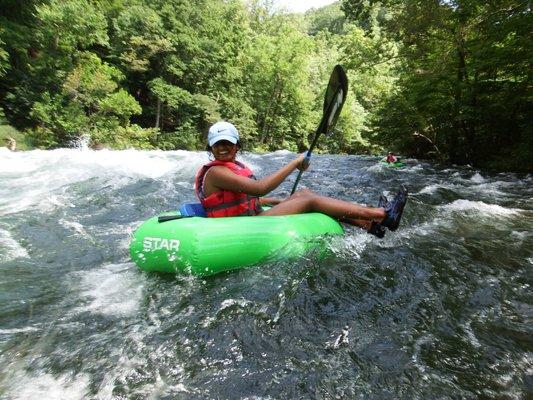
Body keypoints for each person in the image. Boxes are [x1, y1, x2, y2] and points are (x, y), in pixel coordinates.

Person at [195, 121, 407, 238]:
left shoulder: (235, 168)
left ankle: (369, 226)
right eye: (217, 144)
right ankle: (382, 215)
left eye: (228, 143)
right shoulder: (216, 173)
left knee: (303, 193)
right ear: (211, 147)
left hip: (251, 216)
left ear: (237, 146)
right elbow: (259, 188)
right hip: (236, 228)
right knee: (309, 202)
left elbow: (249, 199)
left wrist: (279, 201)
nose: (223, 148)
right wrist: (295, 163)